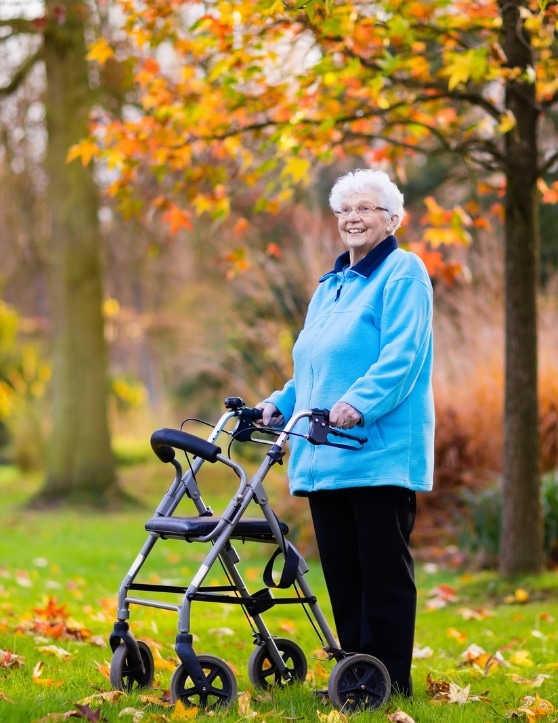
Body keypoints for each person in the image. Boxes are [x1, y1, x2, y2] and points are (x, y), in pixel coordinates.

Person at [256, 168, 434, 698]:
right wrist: (277, 405)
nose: (353, 218)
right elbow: (310, 373)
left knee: (382, 577)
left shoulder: (403, 273)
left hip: (376, 452)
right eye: (344, 210)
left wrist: (357, 403)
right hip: (324, 453)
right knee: (343, 577)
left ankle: (391, 683)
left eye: (366, 208)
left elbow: (402, 357)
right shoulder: (330, 288)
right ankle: (358, 679)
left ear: (392, 219)